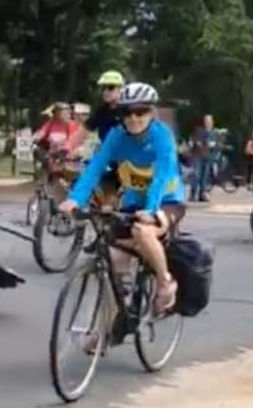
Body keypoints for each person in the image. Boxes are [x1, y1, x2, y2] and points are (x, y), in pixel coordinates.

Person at [60, 82, 185, 317]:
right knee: (114, 260)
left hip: (166, 200)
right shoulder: (117, 136)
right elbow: (95, 167)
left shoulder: (162, 136)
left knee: (143, 232)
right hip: (133, 201)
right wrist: (75, 199)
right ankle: (110, 328)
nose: (134, 118)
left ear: (152, 112)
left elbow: (162, 175)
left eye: (141, 112)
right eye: (127, 113)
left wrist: (150, 210)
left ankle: (165, 281)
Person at [189, 114, 218, 202]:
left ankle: (202, 194)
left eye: (210, 121)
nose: (209, 122)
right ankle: (193, 195)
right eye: (207, 121)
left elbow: (216, 143)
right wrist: (203, 143)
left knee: (204, 177)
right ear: (204, 122)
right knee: (196, 175)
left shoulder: (213, 132)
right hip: (198, 156)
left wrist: (215, 145)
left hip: (208, 156)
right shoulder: (198, 130)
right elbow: (195, 141)